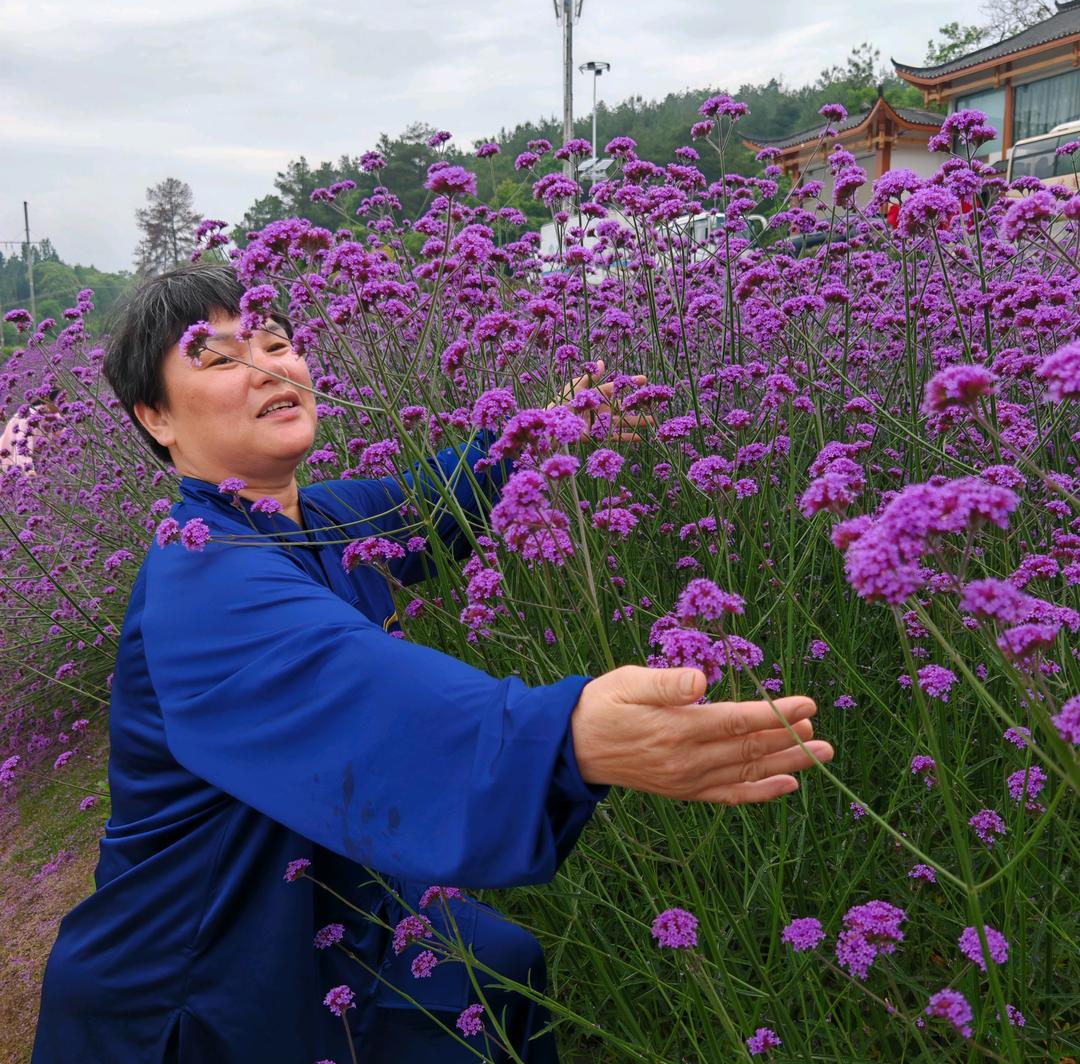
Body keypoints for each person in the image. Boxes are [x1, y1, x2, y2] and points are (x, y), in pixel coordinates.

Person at [31, 264, 833, 1063]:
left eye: (274, 341)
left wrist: (544, 428)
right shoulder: (201, 577)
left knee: (503, 970)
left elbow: (432, 497)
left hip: (330, 897)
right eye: (216, 357)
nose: (266, 365)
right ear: (155, 418)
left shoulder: (320, 516)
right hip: (204, 970)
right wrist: (570, 734)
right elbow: (356, 691)